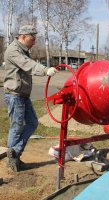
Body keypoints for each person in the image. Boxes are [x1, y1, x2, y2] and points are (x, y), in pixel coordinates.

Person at [3, 25, 58, 171]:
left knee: (32, 123)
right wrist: (45, 70)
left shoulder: (23, 50)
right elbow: (27, 64)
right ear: (23, 36)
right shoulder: (14, 51)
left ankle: (15, 151)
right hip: (15, 95)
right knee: (17, 127)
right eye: (32, 39)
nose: (34, 42)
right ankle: (13, 160)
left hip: (23, 95)